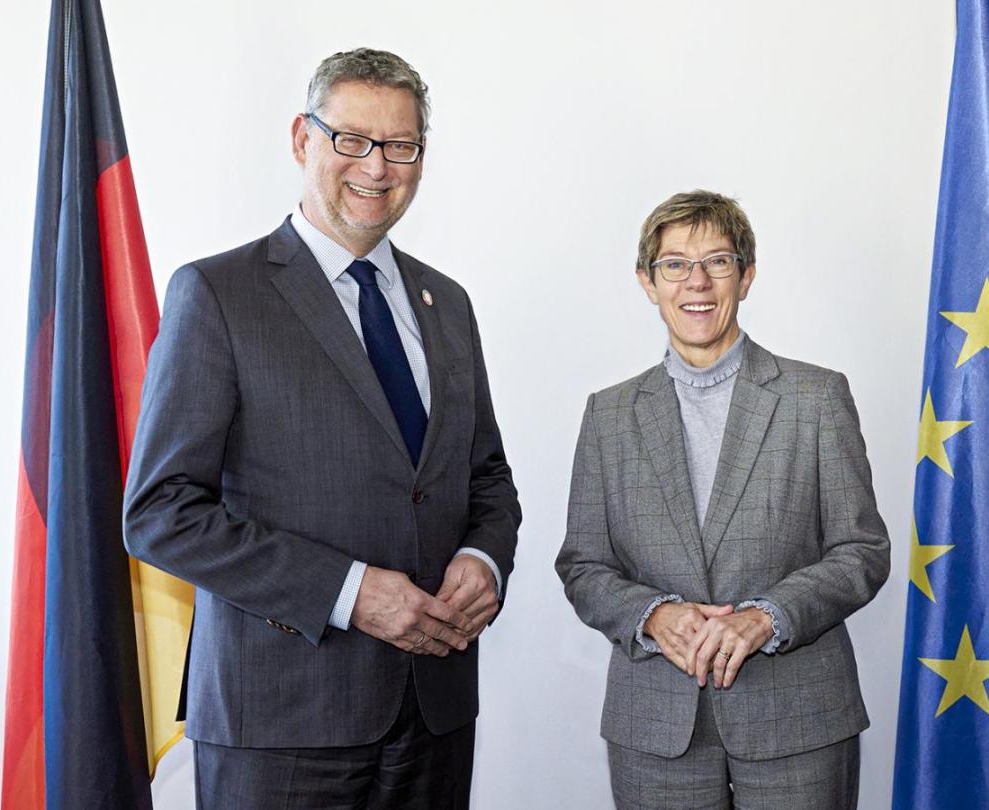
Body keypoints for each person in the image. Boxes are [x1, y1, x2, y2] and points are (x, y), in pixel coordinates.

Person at [123, 48, 520, 809]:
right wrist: (347, 592)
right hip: (281, 723)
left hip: (434, 714)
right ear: (303, 140)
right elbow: (160, 513)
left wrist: (484, 558)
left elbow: (487, 477)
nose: (377, 167)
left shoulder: (450, 303)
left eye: (400, 146)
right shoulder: (217, 293)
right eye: (352, 140)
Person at [556, 190, 890, 809]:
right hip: (655, 726)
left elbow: (862, 551)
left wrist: (768, 614)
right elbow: (581, 565)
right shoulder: (608, 415)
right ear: (647, 282)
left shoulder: (815, 399)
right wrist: (653, 614)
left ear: (747, 274)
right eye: (674, 264)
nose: (697, 282)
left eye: (717, 261)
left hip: (799, 720)